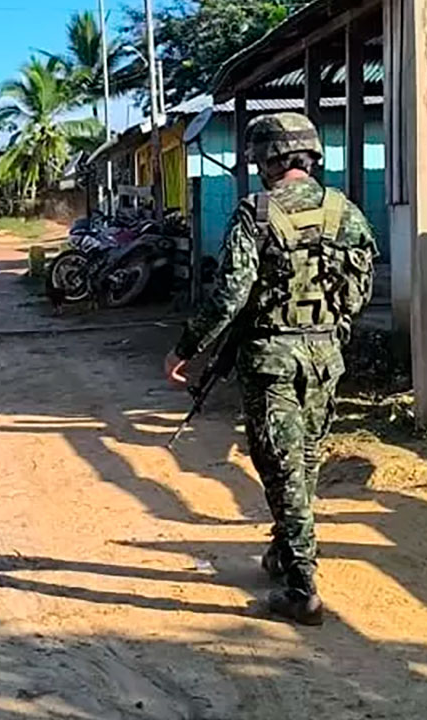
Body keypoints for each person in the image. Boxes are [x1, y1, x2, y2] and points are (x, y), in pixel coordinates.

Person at [163, 112, 377, 626]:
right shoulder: (344, 211)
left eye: (260, 159)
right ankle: (284, 552)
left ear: (271, 160)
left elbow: (231, 294)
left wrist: (185, 348)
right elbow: (363, 286)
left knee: (280, 467)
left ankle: (302, 587)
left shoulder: (256, 212)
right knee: (303, 458)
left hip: (271, 358)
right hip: (325, 355)